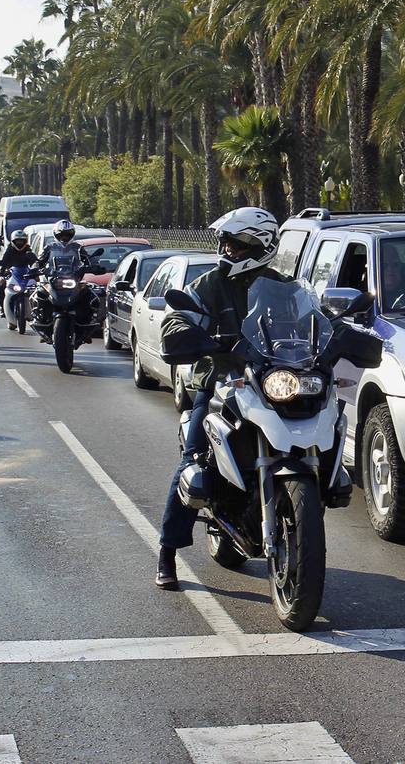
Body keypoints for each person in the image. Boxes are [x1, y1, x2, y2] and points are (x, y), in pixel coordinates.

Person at [153, 206, 285, 590]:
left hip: (272, 385)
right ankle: (167, 550)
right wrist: (187, 335)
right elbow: (180, 317)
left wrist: (335, 332)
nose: (227, 250)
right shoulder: (209, 284)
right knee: (192, 461)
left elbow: (314, 320)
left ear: (260, 246)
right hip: (218, 385)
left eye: (236, 243)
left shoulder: (283, 285)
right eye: (224, 242)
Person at [0, 230, 39, 312]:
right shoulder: (9, 251)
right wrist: (1, 274)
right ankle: (2, 307)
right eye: (18, 241)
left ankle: (36, 310)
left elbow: (35, 263)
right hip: (12, 274)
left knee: (39, 289)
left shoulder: (28, 251)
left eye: (21, 241)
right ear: (13, 241)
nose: (19, 243)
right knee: (1, 285)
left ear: (25, 241)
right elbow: (4, 262)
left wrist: (37, 273)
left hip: (26, 274)